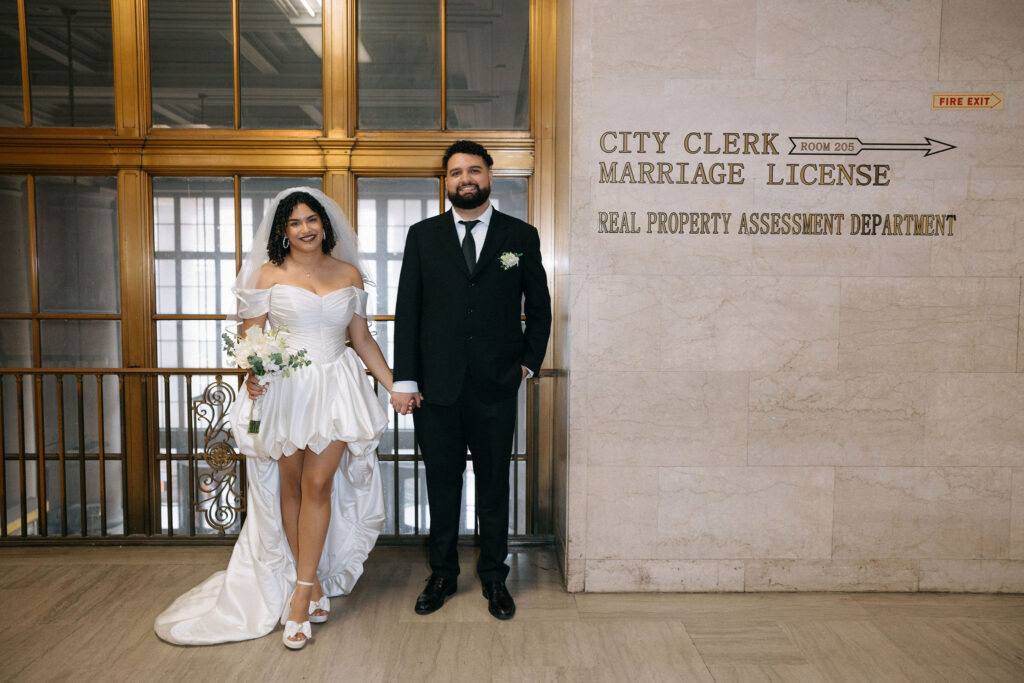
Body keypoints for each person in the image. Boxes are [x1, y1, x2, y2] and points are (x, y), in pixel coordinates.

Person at [155, 188, 408, 649]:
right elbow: (250, 342)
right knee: (289, 488)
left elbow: (362, 340)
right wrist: (251, 376)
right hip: (286, 390)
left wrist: (394, 386)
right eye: (295, 223)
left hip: (335, 387)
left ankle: (302, 596)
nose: (306, 228)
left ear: (324, 225)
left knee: (318, 485)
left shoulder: (348, 273)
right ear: (282, 231)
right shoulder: (267, 274)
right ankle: (303, 582)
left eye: (312, 219)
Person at [390, 140, 551, 620]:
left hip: (496, 388)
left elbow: (538, 310)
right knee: (442, 485)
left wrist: (527, 364)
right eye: (456, 171)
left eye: (474, 170)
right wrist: (405, 379)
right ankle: (441, 574)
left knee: (495, 486)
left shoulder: (520, 236)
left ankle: (494, 578)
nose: (466, 178)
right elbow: (408, 314)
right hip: (435, 391)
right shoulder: (423, 236)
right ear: (446, 181)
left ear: (489, 178)